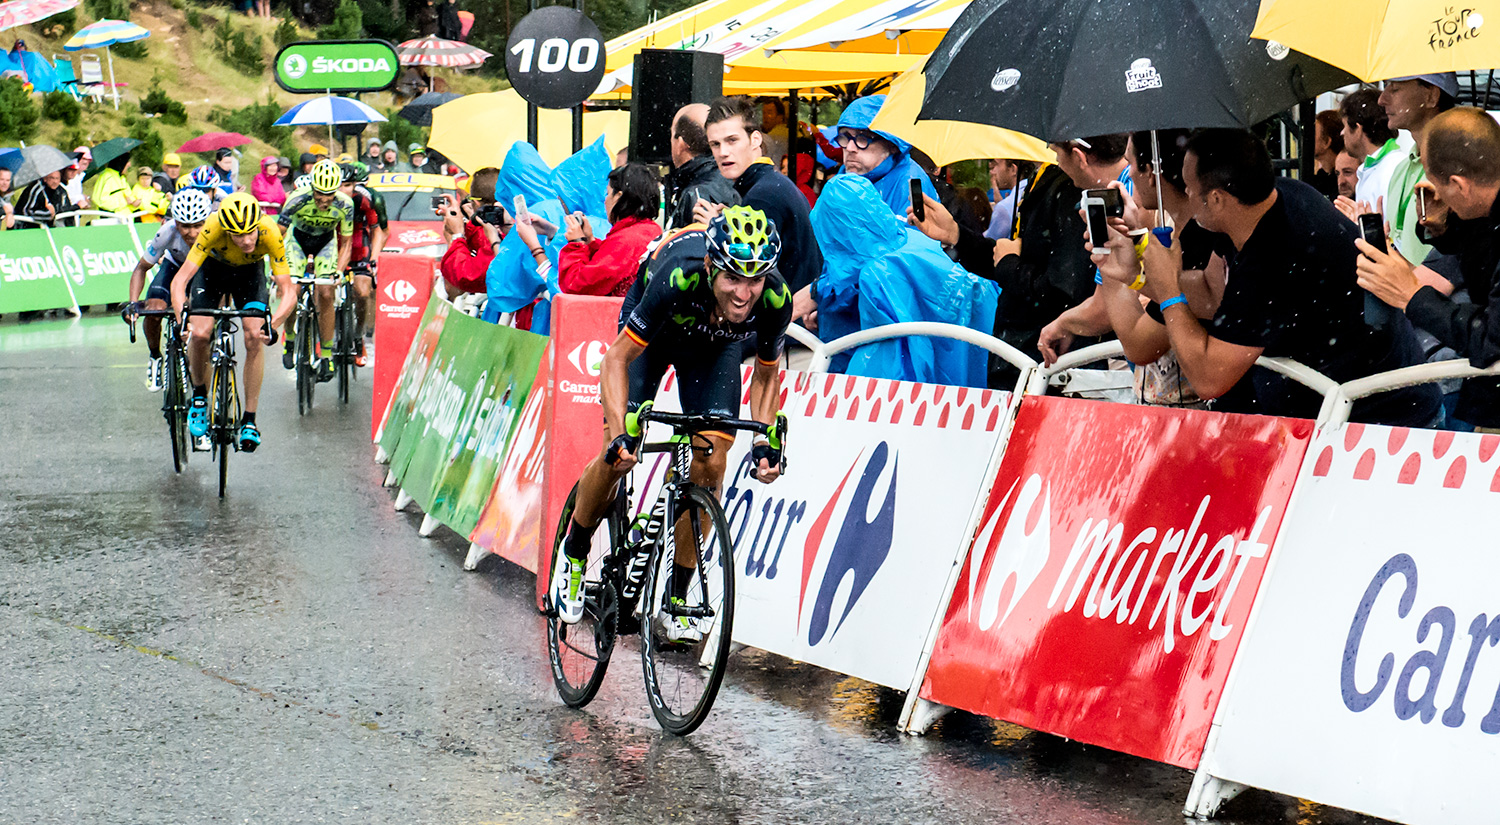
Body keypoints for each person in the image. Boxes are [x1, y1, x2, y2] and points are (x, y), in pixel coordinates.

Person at [550, 206, 789, 639]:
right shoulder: (679, 276)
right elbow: (616, 358)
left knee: (712, 459)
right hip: (654, 337)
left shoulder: (774, 299)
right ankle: (575, 549)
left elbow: (767, 376)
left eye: (755, 280)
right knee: (618, 454)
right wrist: (620, 430)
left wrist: (764, 445)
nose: (743, 293)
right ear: (711, 265)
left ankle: (677, 596)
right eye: (733, 277)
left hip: (713, 347)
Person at [1137, 128, 1439, 426]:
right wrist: (1136, 274)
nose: (1185, 193)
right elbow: (1211, 293)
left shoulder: (1275, 254)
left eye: (1190, 187)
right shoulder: (1278, 195)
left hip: (1380, 423)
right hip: (1340, 411)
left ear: (1217, 199)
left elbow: (1208, 378)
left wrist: (1168, 294)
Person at [1356, 107, 1500, 431]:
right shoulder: (1486, 210)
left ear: (1460, 186)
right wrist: (1447, 228)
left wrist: (1411, 295)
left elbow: (1491, 338)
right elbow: (1485, 254)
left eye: (1441, 188)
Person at [170, 193, 294, 451]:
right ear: (226, 230)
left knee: (253, 337)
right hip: (212, 273)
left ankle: (249, 420)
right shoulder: (212, 228)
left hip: (250, 276)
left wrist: (275, 323)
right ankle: (200, 395)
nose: (247, 240)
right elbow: (180, 281)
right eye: (238, 236)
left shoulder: (270, 231)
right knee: (201, 333)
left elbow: (288, 290)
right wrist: (183, 319)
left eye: (250, 233)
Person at [697, 96, 823, 295]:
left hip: (787, 320)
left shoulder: (764, 194)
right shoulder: (771, 184)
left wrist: (715, 228)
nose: (723, 152)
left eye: (732, 140)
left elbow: (747, 273)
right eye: (715, 144)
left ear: (755, 139)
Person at [126, 190, 212, 390]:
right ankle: (155, 356)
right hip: (174, 268)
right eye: (185, 226)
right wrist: (132, 303)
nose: (191, 233)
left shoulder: (216, 232)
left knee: (199, 315)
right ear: (175, 222)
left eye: (198, 225)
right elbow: (141, 268)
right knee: (154, 309)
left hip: (204, 271)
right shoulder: (167, 231)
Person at [276, 159, 354, 379]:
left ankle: (326, 355)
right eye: (320, 194)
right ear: (312, 187)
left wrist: (338, 271)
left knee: (327, 293)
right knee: (294, 290)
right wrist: (273, 265)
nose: (324, 200)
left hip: (325, 243)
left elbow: (346, 242)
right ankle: (289, 338)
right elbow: (278, 234)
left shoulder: (345, 204)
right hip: (297, 240)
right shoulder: (297, 199)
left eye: (329, 195)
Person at [544, 163, 663, 297]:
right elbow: (611, 268)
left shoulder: (627, 240)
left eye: (607, 194)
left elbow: (577, 286)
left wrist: (576, 244)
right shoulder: (649, 230)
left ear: (618, 196)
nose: (605, 200)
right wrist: (591, 243)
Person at [1378, 73, 1458, 263]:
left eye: (1395, 88)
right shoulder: (1401, 170)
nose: (1382, 99)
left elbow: (1453, 266)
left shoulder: (1461, 171)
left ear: (1432, 96)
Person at [831, 95, 937, 218]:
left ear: (893, 145)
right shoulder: (842, 179)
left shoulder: (913, 184)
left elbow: (914, 234)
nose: (849, 148)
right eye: (845, 137)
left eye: (862, 139)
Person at [663, 103, 739, 231]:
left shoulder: (695, 194)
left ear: (681, 143)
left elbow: (687, 248)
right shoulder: (733, 178)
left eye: (672, 135)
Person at [340, 162, 387, 363]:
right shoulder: (323, 198)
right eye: (339, 185)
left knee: (362, 292)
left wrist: (375, 258)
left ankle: (358, 336)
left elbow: (378, 230)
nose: (343, 190)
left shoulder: (364, 199)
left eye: (348, 185)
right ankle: (319, 335)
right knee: (321, 290)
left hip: (360, 248)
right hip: (334, 247)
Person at [438, 166, 503, 297]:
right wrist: (471, 224)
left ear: (476, 203)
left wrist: (456, 236)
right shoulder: (510, 221)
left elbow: (465, 278)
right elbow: (484, 242)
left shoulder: (501, 232)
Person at [1339, 88, 1403, 219]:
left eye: (1344, 126)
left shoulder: (1392, 169)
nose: (1342, 133)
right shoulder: (1374, 168)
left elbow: (1391, 230)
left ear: (1357, 129)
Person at [90, 152, 140, 221]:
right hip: (112, 222)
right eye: (127, 161)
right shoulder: (106, 177)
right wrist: (124, 202)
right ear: (121, 162)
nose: (129, 165)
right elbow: (100, 201)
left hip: (126, 221)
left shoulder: (122, 178)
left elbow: (129, 197)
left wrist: (134, 204)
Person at [1309, 109, 1345, 200]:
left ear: (1326, 142)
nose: (1306, 140)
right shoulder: (1321, 178)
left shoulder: (1341, 182)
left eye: (1313, 134)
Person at [760, 99, 788, 165]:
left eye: (769, 113)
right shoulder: (788, 132)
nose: (765, 116)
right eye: (764, 113)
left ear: (780, 117)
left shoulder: (771, 137)